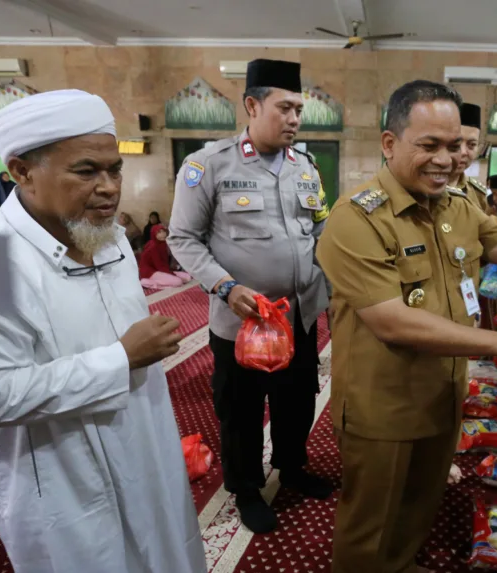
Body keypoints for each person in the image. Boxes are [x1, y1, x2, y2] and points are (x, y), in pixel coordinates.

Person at [316, 79, 497, 573]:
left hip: (443, 393)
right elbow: (390, 321)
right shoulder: (356, 218)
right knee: (370, 526)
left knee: (417, 509)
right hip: (382, 405)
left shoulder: (456, 207)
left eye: (455, 146)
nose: (446, 159)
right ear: (390, 144)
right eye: (428, 145)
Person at [0, 89, 205, 572]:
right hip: (62, 480)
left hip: (145, 444)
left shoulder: (111, 237)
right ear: (21, 171)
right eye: (86, 171)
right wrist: (119, 360)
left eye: (114, 169)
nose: (109, 187)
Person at [168, 58, 332, 534]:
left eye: (300, 109)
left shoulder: (306, 166)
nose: (295, 119)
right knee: (240, 408)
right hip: (242, 319)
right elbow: (183, 238)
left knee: (297, 399)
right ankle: (244, 486)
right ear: (252, 105)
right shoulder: (207, 165)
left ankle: (293, 468)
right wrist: (225, 286)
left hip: (298, 315)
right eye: (285, 108)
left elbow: (319, 228)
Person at [449, 102, 489, 212]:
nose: (463, 152)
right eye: (456, 144)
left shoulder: (477, 194)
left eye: (471, 145)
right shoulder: (421, 188)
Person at [139, 224, 191, 289]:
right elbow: (159, 266)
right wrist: (172, 274)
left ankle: (166, 279)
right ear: (154, 235)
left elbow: (164, 263)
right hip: (150, 272)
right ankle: (146, 282)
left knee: (187, 277)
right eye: (159, 232)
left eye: (163, 231)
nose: (163, 234)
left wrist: (171, 273)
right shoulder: (153, 247)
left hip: (159, 269)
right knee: (178, 282)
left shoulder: (162, 243)